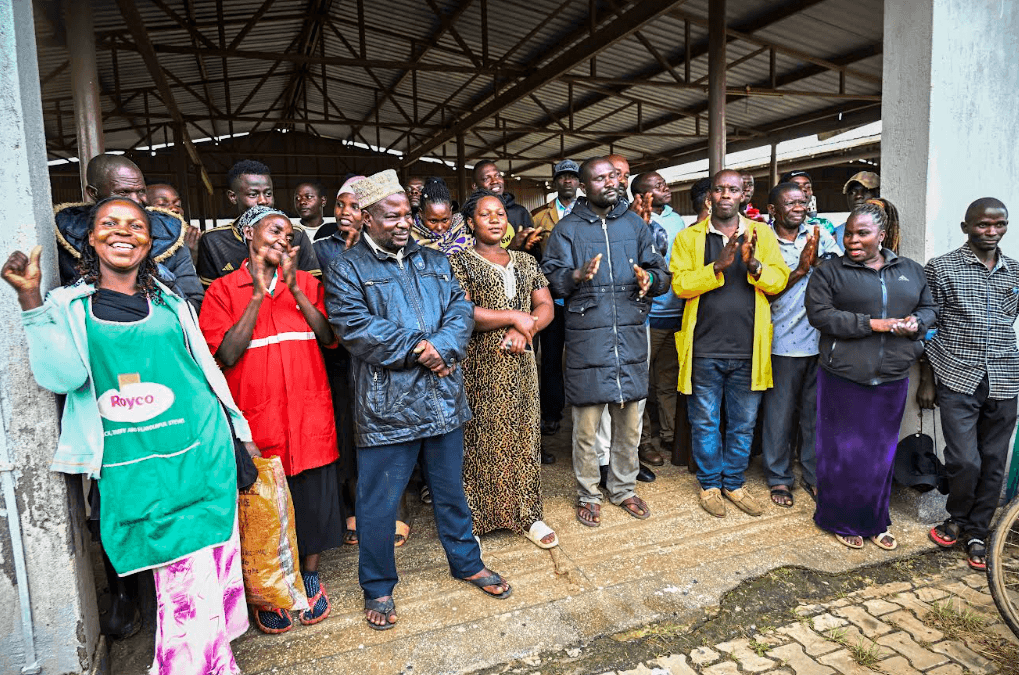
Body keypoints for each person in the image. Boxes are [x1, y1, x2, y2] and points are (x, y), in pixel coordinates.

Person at [3, 197, 251, 672]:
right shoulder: (68, 305)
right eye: (109, 224)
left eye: (135, 225)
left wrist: (236, 432)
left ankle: (207, 661)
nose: (124, 232)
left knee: (203, 572)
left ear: (149, 241)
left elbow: (204, 373)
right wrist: (30, 300)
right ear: (90, 239)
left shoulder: (171, 301)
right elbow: (64, 377)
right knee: (179, 577)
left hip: (201, 450)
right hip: (134, 465)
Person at [322, 169, 512, 631]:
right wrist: (419, 348)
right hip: (388, 406)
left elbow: (460, 310)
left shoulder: (433, 259)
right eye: (391, 216)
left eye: (406, 214)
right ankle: (379, 585)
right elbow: (353, 327)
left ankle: (466, 563)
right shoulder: (348, 267)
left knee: (451, 491)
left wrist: (441, 347)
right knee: (378, 503)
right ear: (366, 218)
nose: (403, 222)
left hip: (442, 397)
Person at [200, 205, 342, 633]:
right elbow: (225, 354)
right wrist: (259, 293)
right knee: (263, 507)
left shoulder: (308, 286)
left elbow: (331, 338)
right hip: (259, 418)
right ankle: (266, 587)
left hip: (308, 410)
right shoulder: (224, 290)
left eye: (289, 235)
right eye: (274, 231)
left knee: (313, 500)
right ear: (248, 235)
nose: (284, 239)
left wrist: (297, 289)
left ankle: (308, 575)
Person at [542, 157, 670, 528]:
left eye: (613, 176)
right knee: (586, 425)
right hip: (588, 333)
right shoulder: (566, 230)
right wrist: (577, 274)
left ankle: (623, 488)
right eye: (600, 178)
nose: (610, 183)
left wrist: (651, 280)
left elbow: (660, 269)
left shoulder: (634, 224)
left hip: (629, 330)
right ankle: (588, 493)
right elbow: (551, 277)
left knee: (630, 421)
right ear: (584, 186)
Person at [805, 199, 936, 550]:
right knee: (841, 451)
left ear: (881, 235)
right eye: (848, 234)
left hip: (891, 376)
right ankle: (838, 518)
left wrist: (917, 322)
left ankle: (875, 520)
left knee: (879, 453)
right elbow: (820, 315)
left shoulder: (910, 269)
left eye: (862, 233)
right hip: (844, 375)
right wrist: (873, 324)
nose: (852, 241)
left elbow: (928, 308)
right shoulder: (830, 272)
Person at [671, 170, 790, 519]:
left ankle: (734, 483)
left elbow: (778, 281)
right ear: (710, 195)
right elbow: (679, 285)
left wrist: (753, 264)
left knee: (743, 424)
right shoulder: (688, 238)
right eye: (719, 189)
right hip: (704, 349)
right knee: (705, 421)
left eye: (733, 189)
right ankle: (710, 485)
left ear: (743, 196)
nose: (725, 195)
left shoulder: (762, 234)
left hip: (748, 349)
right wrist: (717, 267)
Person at [450, 189, 557, 548]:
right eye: (485, 214)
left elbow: (545, 305)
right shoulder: (459, 262)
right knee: (480, 440)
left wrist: (525, 327)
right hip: (480, 367)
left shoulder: (526, 262)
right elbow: (466, 313)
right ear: (469, 223)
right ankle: (475, 523)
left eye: (500, 213)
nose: (495, 219)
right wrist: (513, 316)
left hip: (522, 366)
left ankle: (528, 515)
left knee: (524, 434)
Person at [920, 198, 1017, 570]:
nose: (991, 232)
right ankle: (958, 517)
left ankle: (977, 530)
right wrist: (927, 380)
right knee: (964, 460)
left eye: (999, 225)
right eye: (982, 225)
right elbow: (929, 327)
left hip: (1005, 378)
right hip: (958, 377)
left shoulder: (1015, 273)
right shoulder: (942, 268)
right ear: (966, 227)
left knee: (994, 462)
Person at [761, 183, 839, 508]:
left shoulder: (819, 233)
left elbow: (838, 269)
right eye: (790, 202)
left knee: (814, 415)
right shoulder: (764, 240)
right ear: (773, 210)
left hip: (818, 341)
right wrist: (802, 268)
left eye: (802, 202)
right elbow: (765, 290)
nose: (798, 207)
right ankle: (779, 477)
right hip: (780, 341)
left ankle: (813, 474)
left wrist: (818, 259)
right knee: (778, 416)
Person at [55, 154, 204, 310]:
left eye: (140, 191)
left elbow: (194, 301)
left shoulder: (170, 234)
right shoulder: (67, 234)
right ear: (93, 193)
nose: (136, 200)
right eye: (124, 192)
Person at [314, 175, 364, 546]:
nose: (345, 213)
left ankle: (395, 507)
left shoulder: (388, 245)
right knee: (347, 427)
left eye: (356, 206)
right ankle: (352, 505)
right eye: (340, 205)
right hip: (338, 354)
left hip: (378, 352)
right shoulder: (320, 247)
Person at [630, 171, 686, 466]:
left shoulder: (677, 220)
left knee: (668, 379)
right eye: (658, 185)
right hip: (648, 314)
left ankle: (669, 433)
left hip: (677, 311)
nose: (666, 187)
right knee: (640, 383)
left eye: (666, 182)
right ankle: (642, 441)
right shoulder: (631, 220)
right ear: (641, 195)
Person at [196, 160, 320, 286]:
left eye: (268, 194)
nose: (263, 201)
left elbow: (313, 288)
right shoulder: (213, 241)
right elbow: (208, 294)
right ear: (233, 197)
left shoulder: (296, 235)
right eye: (253, 194)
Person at [531, 160, 580, 454]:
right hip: (552, 298)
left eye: (572, 177)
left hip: (583, 299)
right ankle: (552, 414)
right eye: (562, 177)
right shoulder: (541, 217)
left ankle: (582, 412)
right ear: (555, 182)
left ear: (580, 182)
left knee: (580, 357)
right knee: (550, 360)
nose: (568, 182)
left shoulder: (591, 212)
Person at [473, 161, 537, 250]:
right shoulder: (470, 216)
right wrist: (511, 247)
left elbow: (533, 252)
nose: (494, 181)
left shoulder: (520, 212)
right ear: (475, 186)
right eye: (486, 179)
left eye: (498, 175)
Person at [411, 177, 474, 255]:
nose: (440, 227)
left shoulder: (465, 230)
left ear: (451, 211)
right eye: (433, 221)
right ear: (421, 213)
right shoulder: (409, 236)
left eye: (445, 220)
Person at [147, 183, 202, 264]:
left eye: (178, 205)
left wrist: (192, 253)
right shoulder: (141, 242)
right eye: (162, 204)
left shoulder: (188, 237)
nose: (174, 209)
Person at [833, 171, 880, 252]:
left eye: (866, 191)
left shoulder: (890, 230)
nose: (858, 196)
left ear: (878, 194)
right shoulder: (836, 234)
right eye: (852, 193)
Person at [780, 170, 835, 237]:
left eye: (808, 187)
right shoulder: (769, 227)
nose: (803, 189)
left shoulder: (824, 225)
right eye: (795, 186)